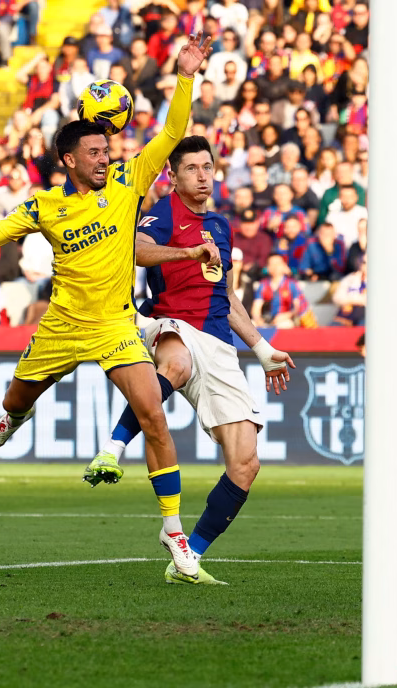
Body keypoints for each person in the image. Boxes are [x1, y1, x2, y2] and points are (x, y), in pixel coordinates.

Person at [0, 32, 214, 582]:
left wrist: (186, 76)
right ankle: (14, 418)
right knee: (14, 397)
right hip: (62, 326)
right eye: (94, 152)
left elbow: (171, 132)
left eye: (107, 150)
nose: (105, 158)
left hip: (116, 324)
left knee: (154, 415)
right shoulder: (44, 205)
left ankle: (173, 530)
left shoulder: (130, 181)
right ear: (68, 159)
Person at [87, 135, 296, 585]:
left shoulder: (221, 224)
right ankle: (112, 448)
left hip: (219, 344)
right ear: (173, 176)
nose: (202, 175)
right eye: (191, 169)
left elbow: (228, 296)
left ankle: (187, 555)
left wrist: (262, 349)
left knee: (246, 463)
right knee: (175, 365)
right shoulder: (164, 211)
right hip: (170, 322)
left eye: (208, 167)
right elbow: (135, 250)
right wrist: (187, 251)